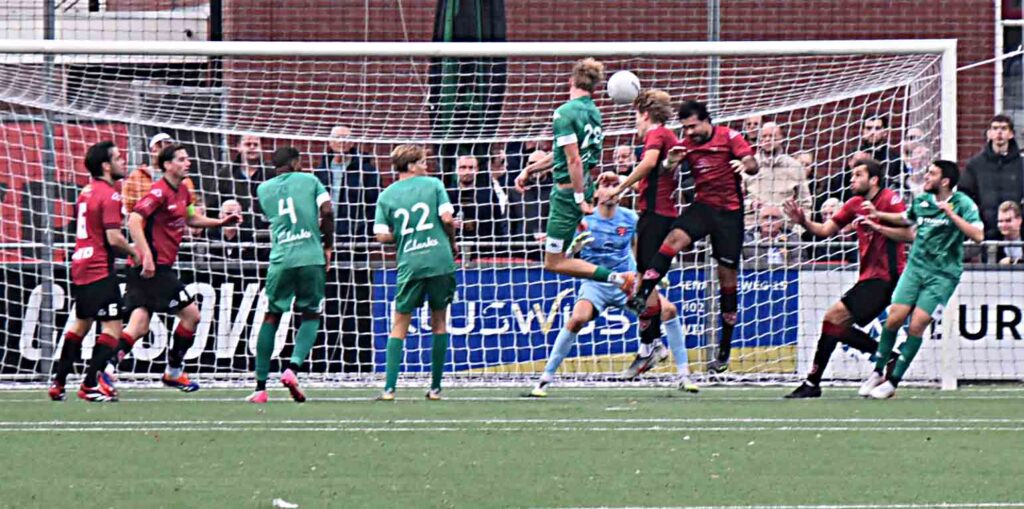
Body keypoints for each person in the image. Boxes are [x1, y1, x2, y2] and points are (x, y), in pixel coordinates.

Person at [527, 177, 697, 397]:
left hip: (627, 281)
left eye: (615, 185)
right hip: (596, 283)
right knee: (577, 319)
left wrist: (647, 276)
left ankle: (684, 376)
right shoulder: (584, 219)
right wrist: (575, 248)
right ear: (596, 192)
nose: (610, 190)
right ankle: (544, 379)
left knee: (669, 310)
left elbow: (639, 251)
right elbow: (564, 258)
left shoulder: (630, 218)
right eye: (605, 185)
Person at [626, 99, 758, 374]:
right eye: (685, 128)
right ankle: (644, 293)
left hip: (730, 214)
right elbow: (665, 169)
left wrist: (743, 164)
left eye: (693, 126)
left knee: (727, 277)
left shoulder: (729, 136)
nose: (689, 132)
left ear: (707, 121)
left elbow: (752, 163)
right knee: (672, 240)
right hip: (703, 207)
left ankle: (724, 348)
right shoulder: (686, 144)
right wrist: (669, 162)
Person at [119, 144, 242, 393]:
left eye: (187, 159)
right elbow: (134, 220)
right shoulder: (158, 191)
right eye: (182, 159)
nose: (188, 163)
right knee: (191, 315)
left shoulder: (184, 189)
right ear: (167, 165)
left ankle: (104, 369)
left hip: (156, 267)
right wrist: (147, 255)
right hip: (155, 268)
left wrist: (220, 222)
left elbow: (191, 218)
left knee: (139, 325)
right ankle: (173, 372)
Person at [782, 159, 909, 398]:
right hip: (869, 276)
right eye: (852, 174)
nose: (852, 179)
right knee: (834, 324)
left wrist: (877, 226)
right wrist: (803, 221)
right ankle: (886, 358)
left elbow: (910, 233)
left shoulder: (889, 199)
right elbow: (824, 231)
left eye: (858, 175)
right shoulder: (854, 204)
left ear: (874, 179)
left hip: (887, 277)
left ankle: (813, 382)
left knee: (834, 318)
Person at [858, 160, 984, 399]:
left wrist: (951, 215)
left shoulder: (964, 204)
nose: (926, 176)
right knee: (894, 318)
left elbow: (978, 235)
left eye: (932, 173)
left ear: (945, 181)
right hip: (915, 269)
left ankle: (892, 382)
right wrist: (878, 214)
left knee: (917, 325)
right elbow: (906, 219)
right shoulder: (922, 201)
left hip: (943, 276)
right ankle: (877, 372)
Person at [513, 58, 634, 293]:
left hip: (568, 194)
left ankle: (620, 279)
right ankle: (578, 233)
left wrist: (579, 199)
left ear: (571, 81)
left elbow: (573, 160)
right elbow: (562, 154)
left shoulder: (564, 113)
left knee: (554, 262)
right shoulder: (594, 112)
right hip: (584, 184)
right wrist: (530, 169)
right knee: (562, 250)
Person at [48, 141, 138, 402]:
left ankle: (58, 383)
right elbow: (114, 238)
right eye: (118, 158)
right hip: (98, 267)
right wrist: (135, 252)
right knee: (113, 327)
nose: (123, 161)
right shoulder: (110, 194)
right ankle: (89, 384)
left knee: (82, 323)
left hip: (80, 264)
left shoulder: (86, 191)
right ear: (106, 166)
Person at [246, 147, 334, 404]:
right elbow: (327, 211)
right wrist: (328, 245)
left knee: (271, 316)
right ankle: (292, 368)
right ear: (295, 162)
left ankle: (260, 387)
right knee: (311, 314)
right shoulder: (310, 180)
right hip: (311, 256)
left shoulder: (263, 189)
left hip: (281, 258)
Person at [372, 145, 458, 401]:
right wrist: (451, 241)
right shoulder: (434, 185)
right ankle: (435, 388)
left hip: (410, 261)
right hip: (440, 259)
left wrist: (403, 234)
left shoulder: (386, 195)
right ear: (410, 166)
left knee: (400, 323)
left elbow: (380, 235)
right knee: (439, 321)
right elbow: (447, 219)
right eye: (422, 162)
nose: (426, 166)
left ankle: (389, 388)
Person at [610, 89, 679, 377]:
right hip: (658, 214)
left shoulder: (656, 134)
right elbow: (658, 171)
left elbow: (649, 163)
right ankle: (650, 346)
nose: (635, 123)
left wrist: (621, 187)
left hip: (657, 216)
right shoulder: (667, 136)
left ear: (646, 115)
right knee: (644, 283)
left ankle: (650, 347)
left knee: (642, 283)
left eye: (636, 116)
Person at [961, 114, 1023, 241]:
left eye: (1004, 128)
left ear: (1011, 134)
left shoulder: (1021, 164)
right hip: (986, 230)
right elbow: (965, 195)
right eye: (995, 128)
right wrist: (976, 219)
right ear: (989, 134)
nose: (999, 132)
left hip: (1018, 233)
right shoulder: (975, 164)